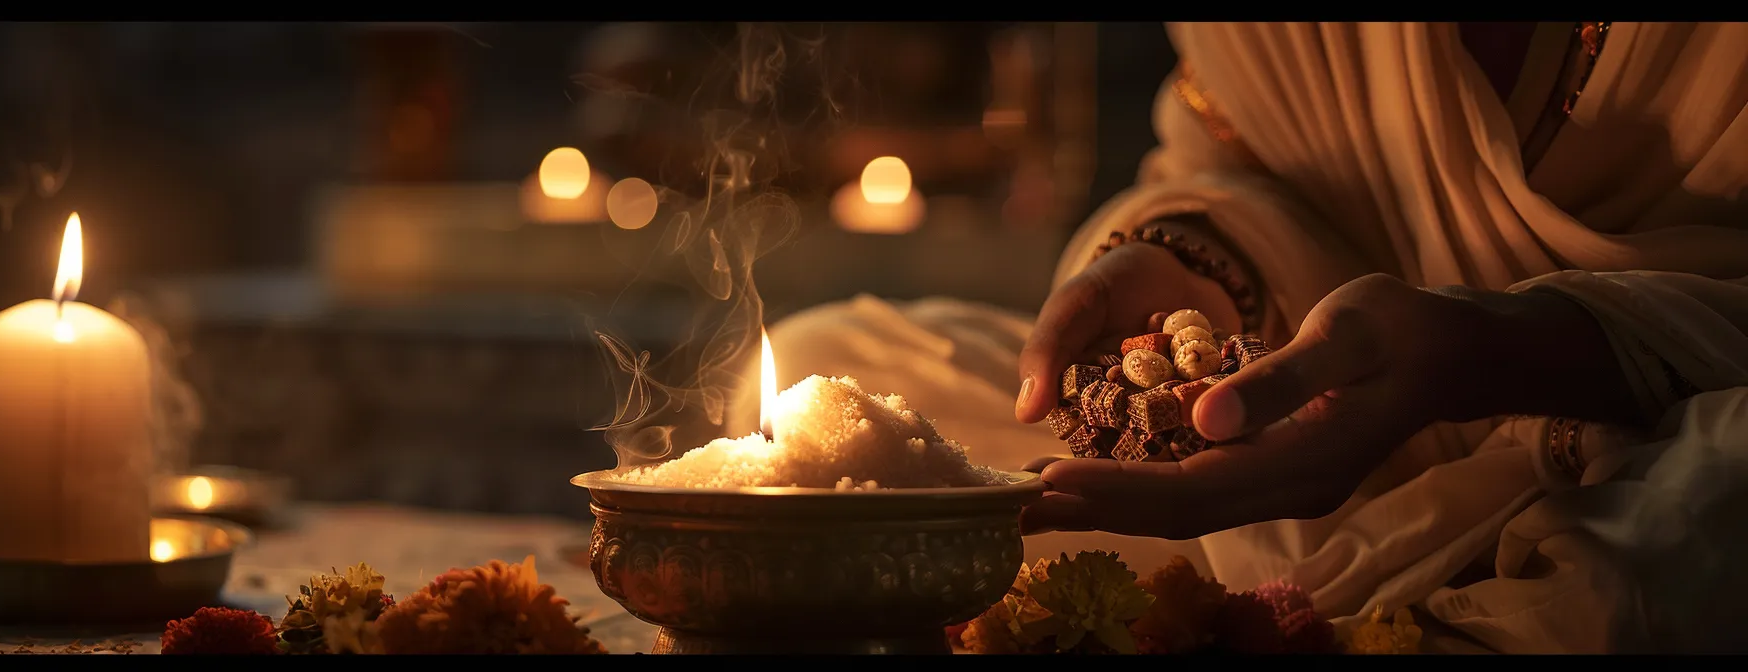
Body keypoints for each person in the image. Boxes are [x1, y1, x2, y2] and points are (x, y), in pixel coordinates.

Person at [732, 22, 1748, 653]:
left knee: (1695, 531)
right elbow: (1245, 160)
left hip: (1647, 427)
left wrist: (1494, 350)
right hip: (1323, 398)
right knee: (837, 386)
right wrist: (1195, 259)